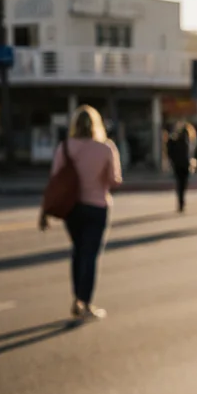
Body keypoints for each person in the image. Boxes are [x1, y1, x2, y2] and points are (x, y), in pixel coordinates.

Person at [38, 105, 121, 320]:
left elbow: (55, 178)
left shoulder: (65, 147)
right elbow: (114, 180)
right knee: (90, 255)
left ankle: (77, 298)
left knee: (78, 252)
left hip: (72, 208)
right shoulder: (106, 148)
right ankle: (86, 303)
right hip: (97, 207)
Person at [165, 121, 195, 213]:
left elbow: (170, 151)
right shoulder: (187, 141)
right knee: (183, 184)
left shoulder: (175, 140)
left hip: (178, 165)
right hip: (184, 165)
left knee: (180, 184)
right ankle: (181, 202)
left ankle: (181, 202)